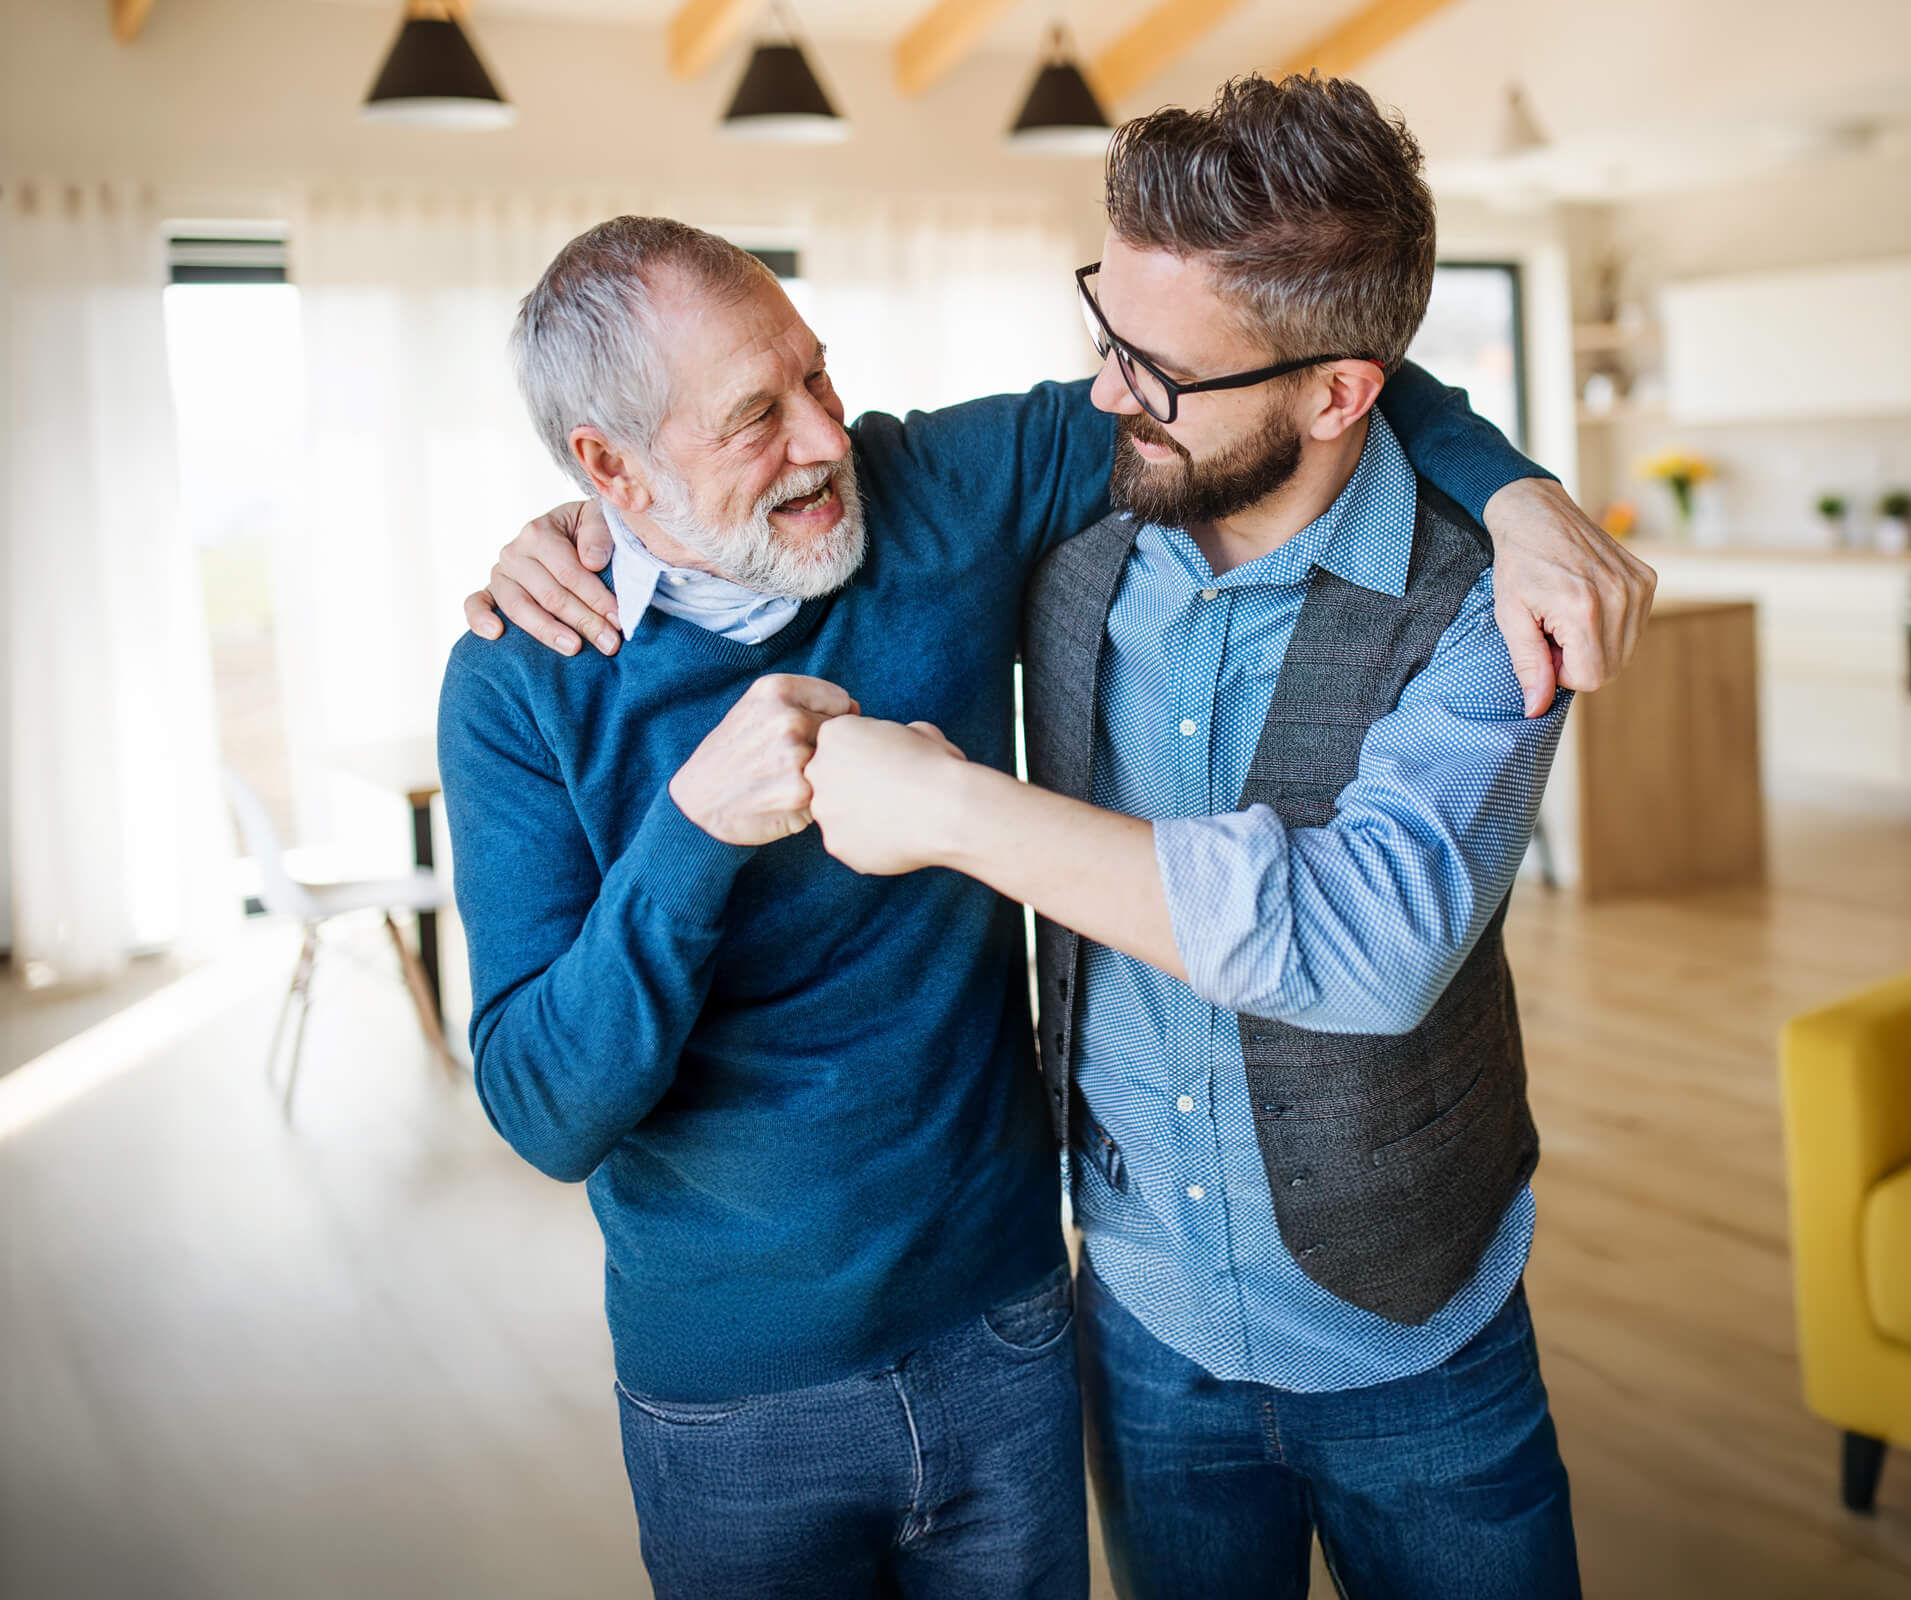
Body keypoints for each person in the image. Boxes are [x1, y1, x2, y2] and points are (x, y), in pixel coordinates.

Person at [443, 204, 1650, 1597]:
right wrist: (693, 831)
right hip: (734, 1397)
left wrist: (1519, 495)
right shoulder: (521, 679)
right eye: (754, 417)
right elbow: (544, 1108)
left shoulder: (943, 490)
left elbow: (1305, 371)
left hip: (1008, 1330)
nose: (829, 437)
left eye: (818, 376)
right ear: (610, 468)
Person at [802, 76, 1582, 1599]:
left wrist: (956, 811)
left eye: (1160, 371)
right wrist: (580, 533)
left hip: (1416, 1330)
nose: (1107, 395)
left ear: (1338, 392)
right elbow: (771, 503)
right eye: (1107, 332)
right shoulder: (1074, 519)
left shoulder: (1489, 606)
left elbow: (1366, 943)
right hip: (1142, 1315)